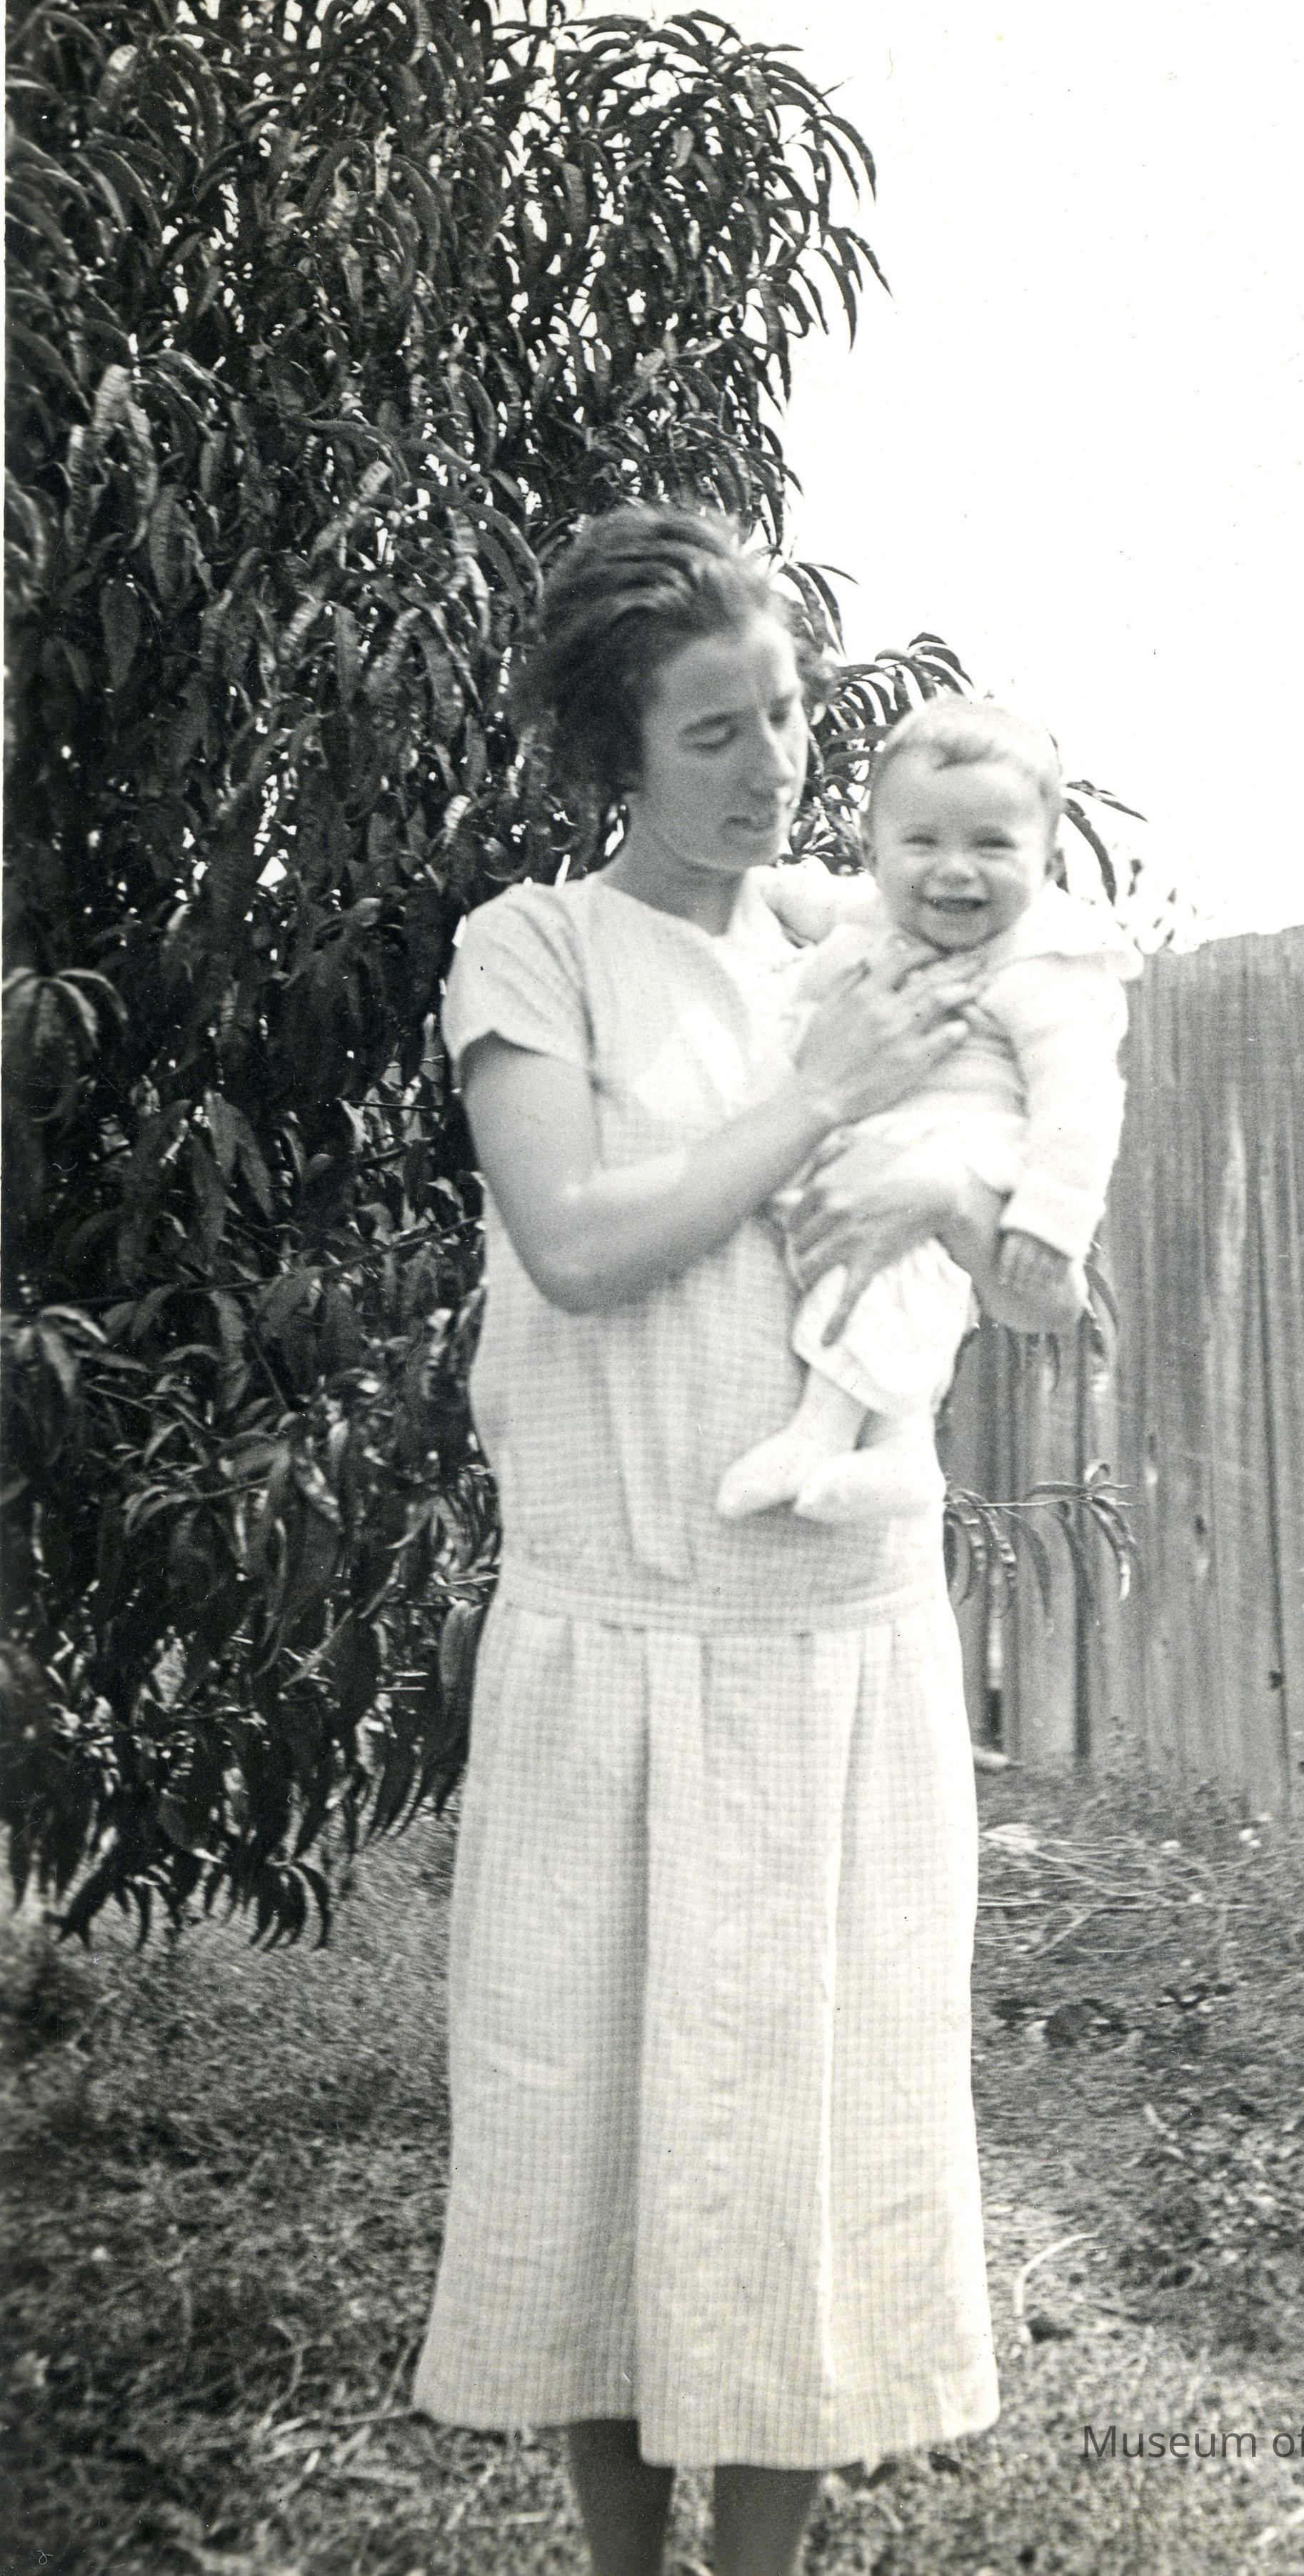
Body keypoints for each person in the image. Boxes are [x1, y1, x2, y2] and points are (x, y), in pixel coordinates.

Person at [412, 504, 1074, 2576]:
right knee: (597, 2130)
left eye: (785, 712)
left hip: (831, 1643)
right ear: (616, 744)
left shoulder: (872, 936)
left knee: (809, 2137)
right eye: (714, 728)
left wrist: (955, 1194)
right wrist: (815, 1098)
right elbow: (576, 1240)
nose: (771, 763)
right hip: (613, 1639)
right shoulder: (533, 949)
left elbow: (1042, 1253)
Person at [718, 699, 1141, 1526]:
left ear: (1048, 859)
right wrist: (746, 887)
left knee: (882, 1260)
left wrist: (1049, 1219)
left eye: (992, 845)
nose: (954, 870)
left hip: (971, 1148)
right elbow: (804, 897)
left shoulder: (1045, 960)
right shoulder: (872, 911)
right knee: (858, 1249)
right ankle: (902, 1447)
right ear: (873, 852)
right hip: (876, 1136)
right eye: (922, 842)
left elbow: (1081, 1104)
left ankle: (822, 1435)